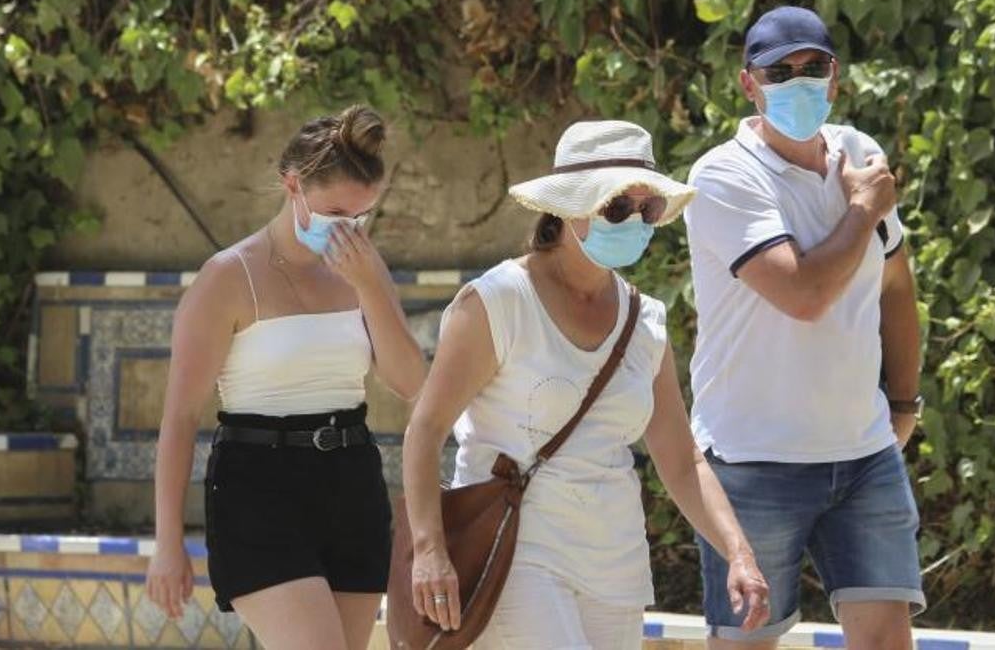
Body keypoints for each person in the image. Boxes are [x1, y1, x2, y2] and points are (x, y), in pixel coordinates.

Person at [402, 120, 771, 650]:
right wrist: (429, 550)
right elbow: (426, 428)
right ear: (569, 208)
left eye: (647, 210)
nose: (635, 222)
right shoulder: (499, 300)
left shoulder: (646, 321)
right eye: (617, 207)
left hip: (615, 564)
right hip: (516, 554)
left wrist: (739, 553)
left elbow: (681, 458)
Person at [683, 6, 926, 650]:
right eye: (779, 71)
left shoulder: (858, 153)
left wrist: (903, 404)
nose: (797, 81)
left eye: (811, 67)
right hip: (752, 460)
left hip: (865, 455)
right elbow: (805, 293)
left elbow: (897, 288)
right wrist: (864, 206)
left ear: (834, 77)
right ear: (748, 84)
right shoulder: (721, 176)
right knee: (745, 644)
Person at [144, 105, 425, 650]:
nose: (348, 230)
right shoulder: (228, 276)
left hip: (352, 479)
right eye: (336, 213)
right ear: (291, 185)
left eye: (361, 217)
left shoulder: (365, 268)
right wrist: (167, 542)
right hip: (258, 484)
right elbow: (179, 419)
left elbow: (412, 381)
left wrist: (368, 286)